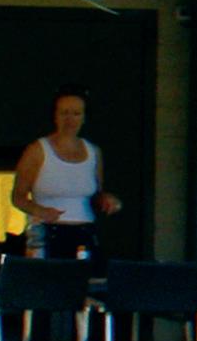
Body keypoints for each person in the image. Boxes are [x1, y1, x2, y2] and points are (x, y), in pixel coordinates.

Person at [11, 86, 119, 260]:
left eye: (76, 114)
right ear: (55, 116)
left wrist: (106, 200)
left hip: (84, 233)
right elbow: (18, 197)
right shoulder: (37, 150)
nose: (70, 120)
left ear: (84, 117)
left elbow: (96, 194)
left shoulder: (93, 152)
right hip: (48, 233)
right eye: (64, 113)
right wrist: (40, 210)